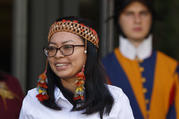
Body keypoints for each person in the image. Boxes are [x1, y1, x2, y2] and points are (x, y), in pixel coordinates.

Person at [19, 16, 134, 119]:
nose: (58, 55)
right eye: (52, 48)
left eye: (68, 47)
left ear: (87, 51)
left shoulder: (115, 99)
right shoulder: (34, 100)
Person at [102, 0, 179, 119]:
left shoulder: (172, 68)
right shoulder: (102, 68)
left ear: (152, 18)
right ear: (118, 19)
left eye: (143, 13)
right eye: (129, 13)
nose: (137, 20)